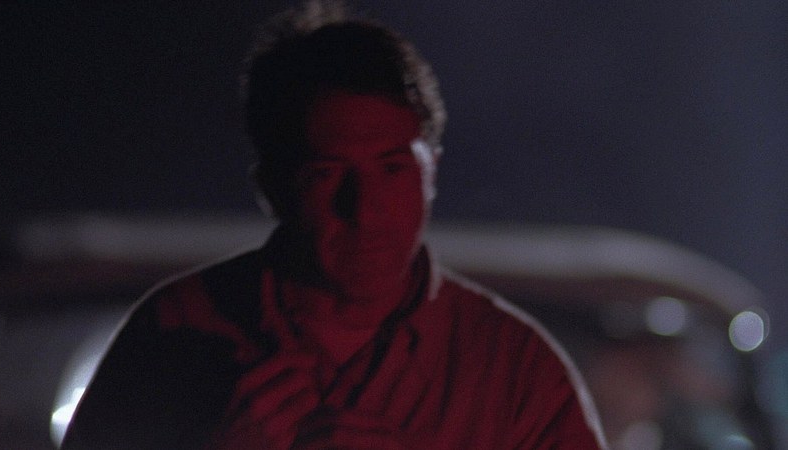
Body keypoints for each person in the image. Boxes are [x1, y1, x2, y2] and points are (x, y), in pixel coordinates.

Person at [61, 2, 607, 449]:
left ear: (432, 172)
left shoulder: (515, 372)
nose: (365, 210)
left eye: (392, 169)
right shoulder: (173, 333)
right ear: (272, 187)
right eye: (326, 174)